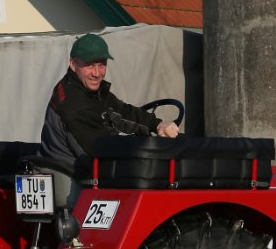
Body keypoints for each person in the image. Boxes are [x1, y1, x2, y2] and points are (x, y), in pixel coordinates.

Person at [40, 33, 180, 166]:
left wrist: (157, 124)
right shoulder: (75, 105)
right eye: (89, 65)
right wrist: (142, 146)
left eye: (101, 64)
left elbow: (123, 111)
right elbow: (101, 152)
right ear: (72, 64)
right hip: (73, 172)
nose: (97, 73)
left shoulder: (87, 89)